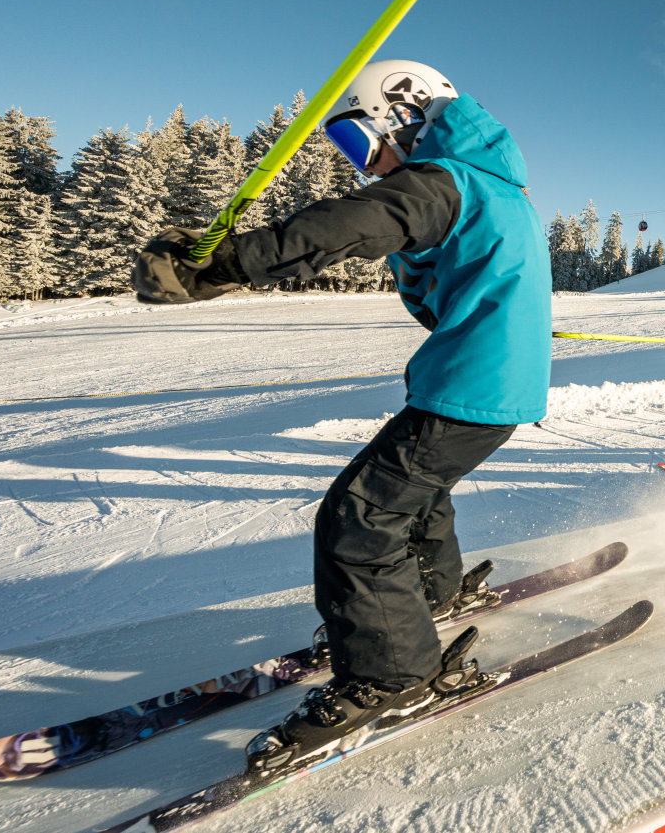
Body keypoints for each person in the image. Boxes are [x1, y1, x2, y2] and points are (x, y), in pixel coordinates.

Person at [132, 60, 550, 772]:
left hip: (471, 386)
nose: (366, 168)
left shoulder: (443, 179)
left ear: (405, 116)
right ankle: (422, 596)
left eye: (361, 144)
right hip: (485, 389)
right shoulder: (491, 185)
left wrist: (228, 263)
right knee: (414, 494)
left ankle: (392, 672)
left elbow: (351, 224)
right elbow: (430, 288)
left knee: (358, 520)